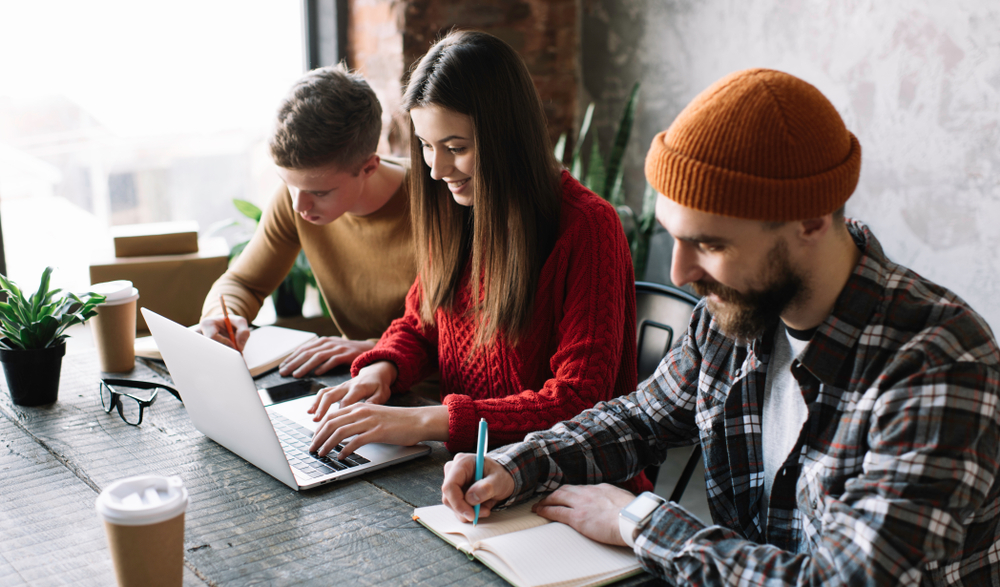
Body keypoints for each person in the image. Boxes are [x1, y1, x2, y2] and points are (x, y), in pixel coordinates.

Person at [440, 68, 1000, 585]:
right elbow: (641, 420)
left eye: (710, 244)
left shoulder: (941, 365)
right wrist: (516, 465)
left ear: (810, 220)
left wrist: (641, 521)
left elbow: (841, 582)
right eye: (675, 236)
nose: (681, 274)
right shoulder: (734, 314)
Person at [307, 30, 645, 478]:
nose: (436, 169)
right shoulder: (455, 208)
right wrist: (382, 370)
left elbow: (578, 403)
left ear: (506, 136)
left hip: (566, 484)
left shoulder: (588, 227)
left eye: (456, 148)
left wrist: (424, 421)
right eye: (426, 146)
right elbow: (421, 324)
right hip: (468, 470)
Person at [200, 65, 416, 377]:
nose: (299, 205)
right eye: (289, 184)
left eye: (319, 192)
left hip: (438, 395)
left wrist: (375, 347)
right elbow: (244, 282)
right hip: (358, 381)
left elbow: (477, 333)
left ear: (369, 168)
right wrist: (224, 316)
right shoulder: (296, 198)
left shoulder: (436, 200)